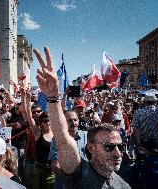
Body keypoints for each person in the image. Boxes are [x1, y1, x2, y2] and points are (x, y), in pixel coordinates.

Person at [33, 47, 130, 188]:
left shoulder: (125, 186)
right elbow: (61, 136)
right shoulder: (81, 174)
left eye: (120, 147)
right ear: (91, 148)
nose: (117, 153)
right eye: (109, 147)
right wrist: (53, 97)